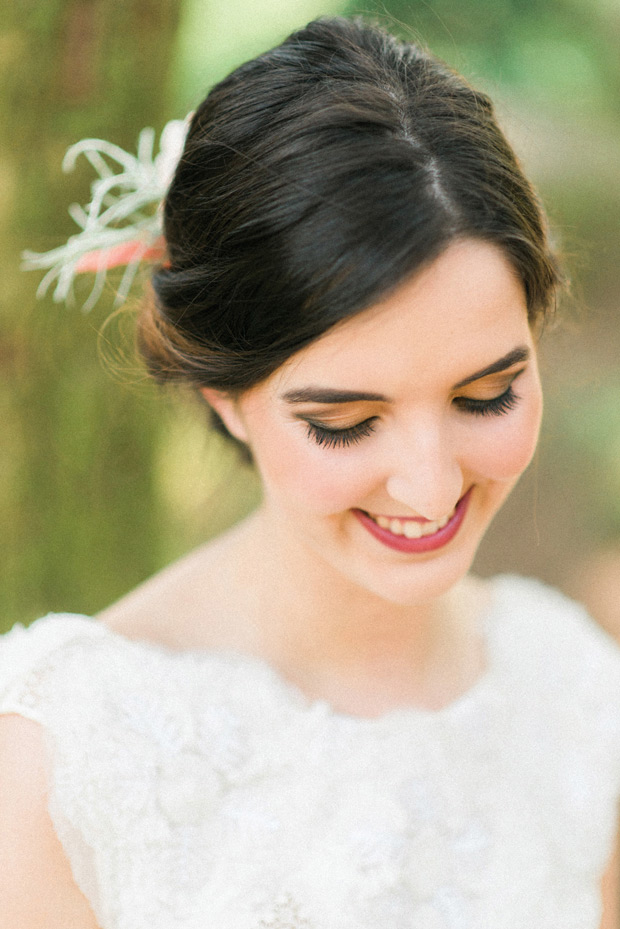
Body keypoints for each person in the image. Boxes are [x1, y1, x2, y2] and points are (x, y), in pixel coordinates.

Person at [1, 16, 620, 929]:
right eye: (347, 422)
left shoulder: (575, 692)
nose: (430, 484)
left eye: (486, 395)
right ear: (225, 393)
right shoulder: (63, 760)